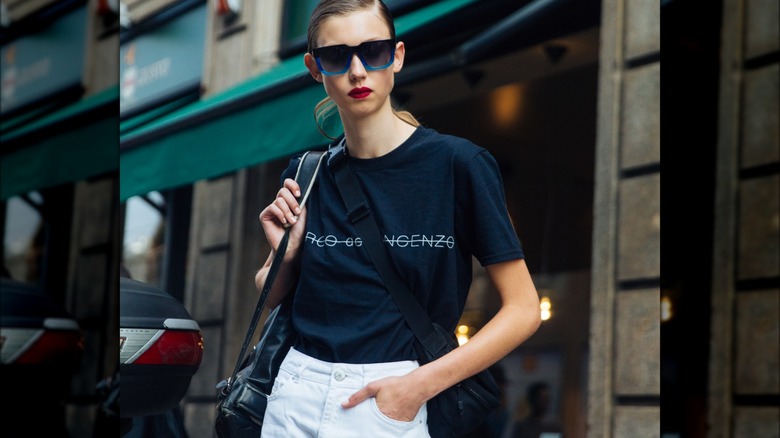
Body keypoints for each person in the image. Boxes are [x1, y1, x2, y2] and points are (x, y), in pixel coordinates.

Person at [255, 1, 541, 436]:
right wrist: (285, 254)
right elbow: (271, 295)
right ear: (315, 68)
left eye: (373, 51)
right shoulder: (306, 172)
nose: (357, 71)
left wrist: (417, 388)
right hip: (295, 392)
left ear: (398, 56)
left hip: (392, 398)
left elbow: (524, 310)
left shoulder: (458, 165)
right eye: (337, 56)